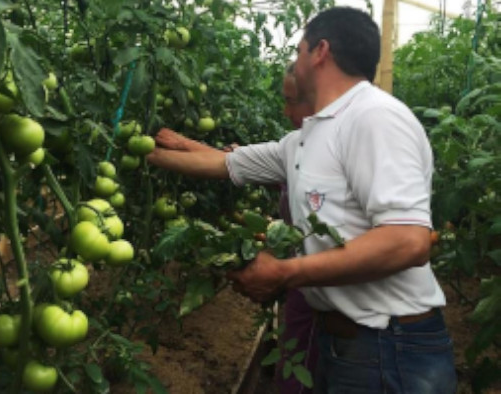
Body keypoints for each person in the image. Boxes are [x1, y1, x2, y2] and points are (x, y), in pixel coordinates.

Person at [147, 6, 457, 394]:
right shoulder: (307, 138)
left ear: (320, 51)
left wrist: (284, 273)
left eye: (298, 52)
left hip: (389, 347)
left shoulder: (374, 118)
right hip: (346, 343)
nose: (294, 63)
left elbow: (408, 240)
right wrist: (138, 147)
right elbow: (223, 163)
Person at [154, 63, 318, 393]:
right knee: (297, 370)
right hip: (304, 288)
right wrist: (159, 149)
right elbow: (229, 162)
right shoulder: (293, 146)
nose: (285, 111)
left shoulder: (341, 152)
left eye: (292, 101)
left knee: (316, 369)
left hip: (326, 287)